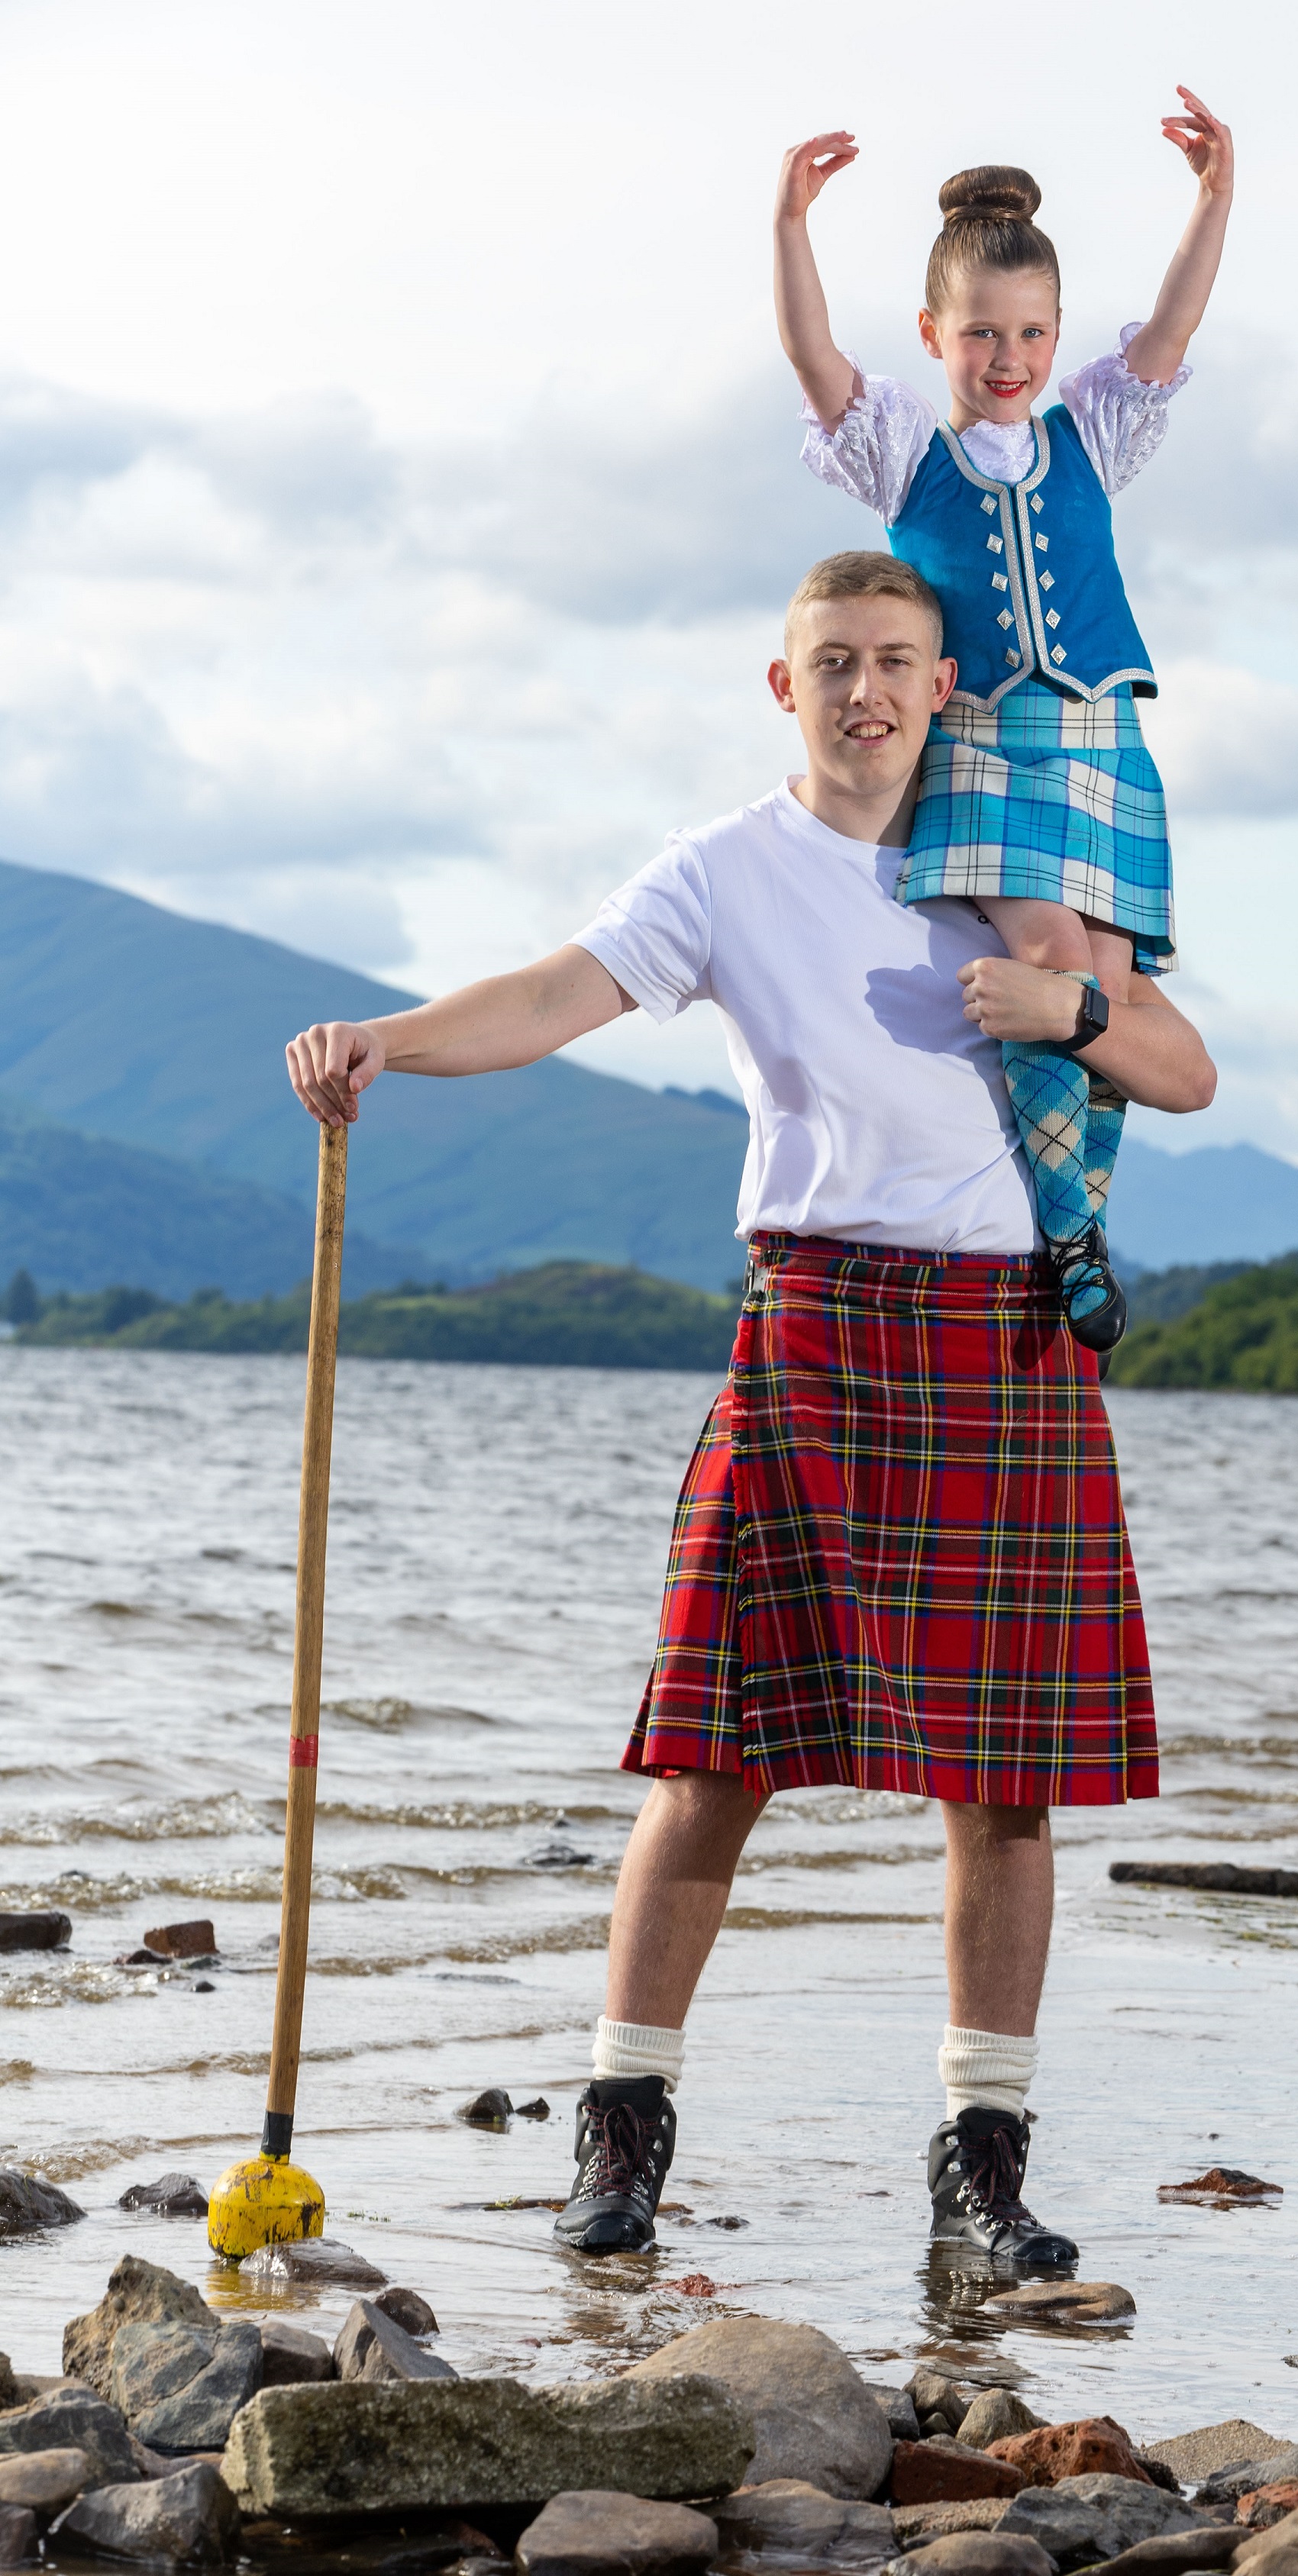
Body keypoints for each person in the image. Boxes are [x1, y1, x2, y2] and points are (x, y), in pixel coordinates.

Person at [285, 550, 1216, 2267]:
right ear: (784, 686)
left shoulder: (1021, 867)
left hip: (1002, 1338)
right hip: (810, 1329)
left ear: (947, 687)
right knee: (708, 1755)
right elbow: (555, 994)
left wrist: (1068, 1006)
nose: (867, 690)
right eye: (835, 662)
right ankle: (620, 2139)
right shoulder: (723, 868)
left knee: (1006, 1786)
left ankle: (983, 2172)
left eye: (898, 664)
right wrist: (387, 1039)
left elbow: (1182, 1065)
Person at [774, 95, 1233, 1353]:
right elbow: (814, 361)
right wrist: (790, 224)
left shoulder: (1094, 438)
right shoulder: (902, 458)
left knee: (1115, 993)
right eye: (980, 333)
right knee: (1050, 956)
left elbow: (1176, 324)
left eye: (1030, 332)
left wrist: (1211, 199)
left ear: (1056, 334)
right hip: (976, 737)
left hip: (1098, 737)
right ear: (935, 334)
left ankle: (1076, 1210)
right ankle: (1071, 1240)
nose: (1008, 356)